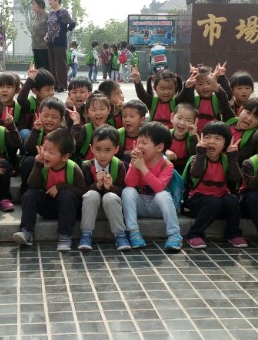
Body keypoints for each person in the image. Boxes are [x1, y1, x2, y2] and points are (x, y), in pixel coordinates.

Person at [13, 128, 87, 251]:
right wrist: (37, 165)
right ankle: (27, 232)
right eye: (44, 149)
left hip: (69, 210)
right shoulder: (42, 165)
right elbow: (32, 185)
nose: (46, 154)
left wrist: (61, 186)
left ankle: (65, 235)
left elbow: (83, 191)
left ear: (65, 156)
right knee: (29, 194)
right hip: (49, 207)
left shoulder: (73, 168)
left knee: (67, 195)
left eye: (51, 152)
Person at [183, 122, 246, 249]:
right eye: (207, 137)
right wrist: (200, 154)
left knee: (232, 200)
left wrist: (232, 158)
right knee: (214, 202)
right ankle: (194, 234)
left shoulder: (226, 159)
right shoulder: (197, 158)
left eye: (218, 138)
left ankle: (233, 234)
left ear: (225, 143)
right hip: (197, 200)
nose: (212, 141)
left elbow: (236, 179)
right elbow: (196, 173)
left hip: (219, 200)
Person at [121, 122, 182, 252]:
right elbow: (130, 183)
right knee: (128, 191)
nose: (140, 146)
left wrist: (142, 167)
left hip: (157, 207)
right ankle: (133, 232)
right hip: (141, 205)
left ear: (159, 147)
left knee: (163, 195)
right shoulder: (138, 160)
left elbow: (158, 187)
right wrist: (134, 165)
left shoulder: (167, 165)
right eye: (139, 142)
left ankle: (174, 235)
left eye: (144, 143)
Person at [78, 126, 130, 252]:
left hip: (112, 208)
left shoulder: (119, 165)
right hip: (91, 209)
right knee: (91, 194)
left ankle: (120, 234)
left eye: (107, 150)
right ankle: (86, 234)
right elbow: (82, 190)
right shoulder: (86, 166)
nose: (102, 155)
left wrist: (109, 187)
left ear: (116, 149)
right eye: (98, 149)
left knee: (110, 197)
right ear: (91, 148)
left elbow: (122, 191)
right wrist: (97, 185)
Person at [176, 64, 235, 131]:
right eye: (200, 84)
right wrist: (187, 87)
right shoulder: (194, 99)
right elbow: (180, 102)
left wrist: (221, 77)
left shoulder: (217, 99)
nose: (205, 87)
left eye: (209, 83)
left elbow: (227, 97)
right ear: (195, 85)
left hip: (213, 134)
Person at [44, 0, 76, 92]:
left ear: (57, 0)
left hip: (60, 41)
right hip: (50, 42)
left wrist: (65, 31)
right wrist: (46, 36)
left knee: (60, 64)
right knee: (52, 64)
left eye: (51, 0)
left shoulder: (63, 12)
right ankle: (55, 85)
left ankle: (62, 85)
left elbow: (72, 23)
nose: (49, 2)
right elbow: (49, 27)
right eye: (48, 0)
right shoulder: (51, 13)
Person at [17, 65, 56, 144]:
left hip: (48, 139)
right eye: (47, 90)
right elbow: (21, 99)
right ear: (35, 91)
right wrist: (30, 79)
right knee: (25, 133)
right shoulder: (31, 105)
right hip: (32, 140)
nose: (51, 92)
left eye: (52, 89)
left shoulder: (54, 105)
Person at [166, 103, 199, 174]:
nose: (182, 123)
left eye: (188, 120)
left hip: (185, 173)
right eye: (179, 118)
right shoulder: (165, 134)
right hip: (166, 172)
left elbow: (194, 159)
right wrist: (165, 152)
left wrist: (193, 136)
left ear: (194, 122)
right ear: (172, 117)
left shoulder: (193, 139)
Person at [117, 99, 147, 166]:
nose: (127, 119)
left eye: (131, 116)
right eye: (124, 116)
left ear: (142, 120)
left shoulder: (147, 135)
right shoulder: (117, 134)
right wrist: (126, 153)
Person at [30, 0, 49, 69]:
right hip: (36, 46)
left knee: (45, 69)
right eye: (32, 4)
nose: (32, 6)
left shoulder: (47, 15)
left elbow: (52, 29)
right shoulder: (36, 16)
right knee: (38, 69)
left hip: (44, 48)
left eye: (34, 4)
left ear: (40, 5)